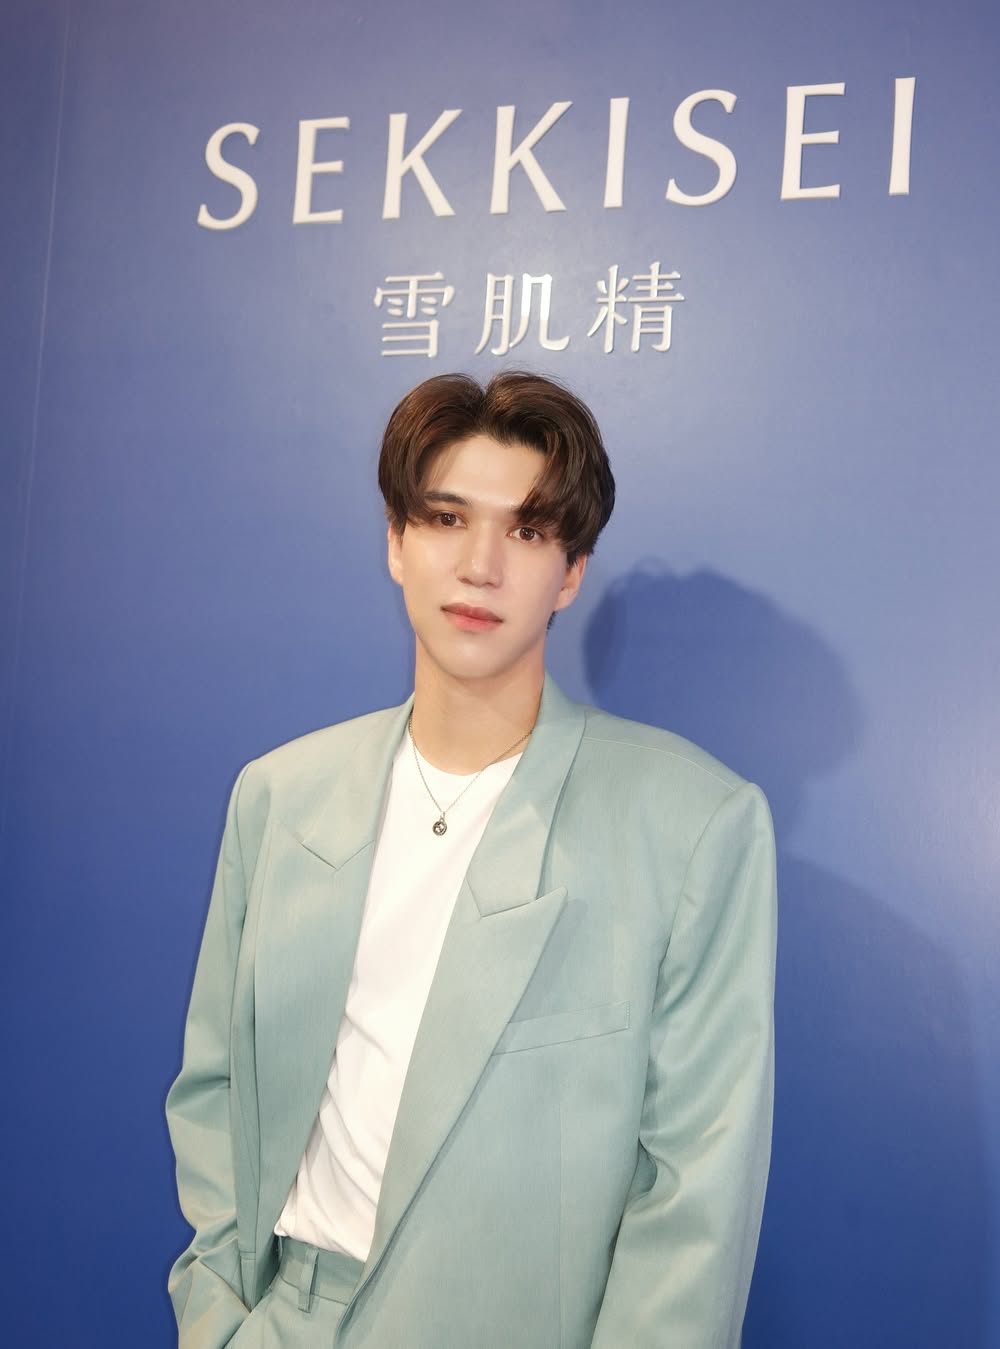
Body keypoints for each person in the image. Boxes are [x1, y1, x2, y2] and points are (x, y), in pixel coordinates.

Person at [166, 371, 776, 1348]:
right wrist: (216, 1317)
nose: (481, 565)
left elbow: (693, 1194)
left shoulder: (693, 822)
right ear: (396, 541)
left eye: (527, 530)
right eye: (447, 518)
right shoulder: (280, 794)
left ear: (570, 572)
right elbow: (215, 1087)